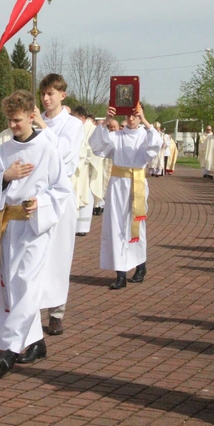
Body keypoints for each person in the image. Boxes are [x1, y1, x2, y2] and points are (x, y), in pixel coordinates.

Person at [0, 90, 73, 374]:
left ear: (32, 116)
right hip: (9, 226)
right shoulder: (4, 150)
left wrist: (39, 202)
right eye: (9, 120)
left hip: (35, 227)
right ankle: (37, 343)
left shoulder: (47, 149)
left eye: (17, 120)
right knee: (13, 285)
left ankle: (9, 349)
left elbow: (62, 188)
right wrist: (6, 178)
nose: (12, 126)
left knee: (27, 283)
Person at [32, 73, 84, 336]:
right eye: (43, 93)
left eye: (50, 93)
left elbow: (62, 154)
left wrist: (42, 125)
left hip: (61, 197)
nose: (45, 98)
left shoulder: (73, 125)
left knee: (59, 255)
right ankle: (31, 308)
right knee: (34, 253)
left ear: (62, 95)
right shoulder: (34, 122)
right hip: (36, 197)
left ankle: (56, 312)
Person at [89, 103, 162, 289]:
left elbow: (156, 145)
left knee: (136, 225)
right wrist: (106, 120)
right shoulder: (117, 136)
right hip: (117, 184)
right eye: (128, 115)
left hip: (136, 183)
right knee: (116, 226)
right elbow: (97, 146)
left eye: (135, 116)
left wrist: (145, 120)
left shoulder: (145, 135)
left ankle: (140, 266)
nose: (131, 119)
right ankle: (120, 273)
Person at [71, 106, 102, 236]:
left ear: (82, 118)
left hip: (87, 169)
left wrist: (81, 155)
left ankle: (82, 227)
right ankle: (73, 225)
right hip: (76, 168)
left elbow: (95, 150)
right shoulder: (75, 129)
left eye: (75, 118)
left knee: (85, 195)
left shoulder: (93, 130)